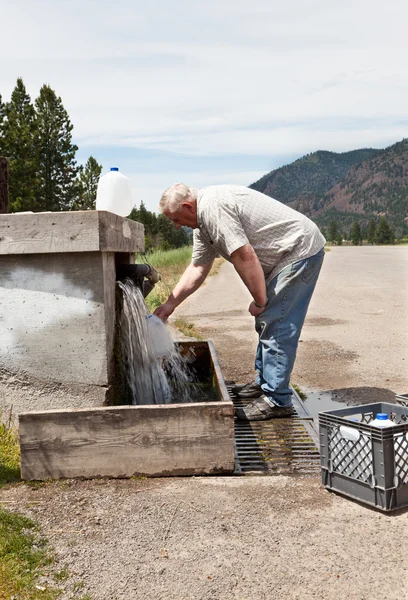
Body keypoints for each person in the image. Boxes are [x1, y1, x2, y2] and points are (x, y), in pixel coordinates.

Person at [154, 183, 325, 421]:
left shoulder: (213, 208)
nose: (176, 225)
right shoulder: (202, 225)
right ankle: (265, 382)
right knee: (269, 320)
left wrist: (260, 300)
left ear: (187, 206)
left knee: (277, 321)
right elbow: (198, 267)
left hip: (298, 249)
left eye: (176, 218)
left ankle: (277, 400)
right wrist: (170, 303)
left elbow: (244, 255)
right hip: (286, 255)